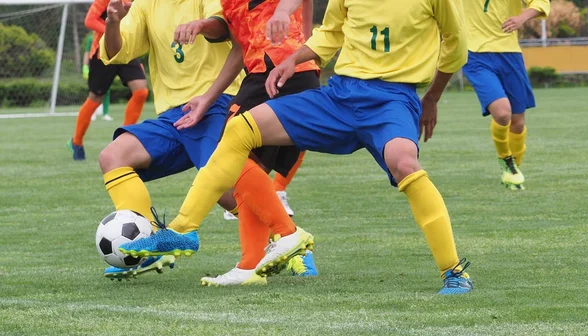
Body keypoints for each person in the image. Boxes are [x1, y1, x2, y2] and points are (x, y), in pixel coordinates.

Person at [121, 0, 473, 294]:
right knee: (240, 130)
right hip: (340, 95)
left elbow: (455, 46)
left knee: (404, 163)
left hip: (392, 100)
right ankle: (183, 231)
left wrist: (432, 98)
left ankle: (454, 272)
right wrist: (293, 59)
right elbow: (331, 32)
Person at [171, 0, 320, 286]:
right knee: (244, 172)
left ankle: (286, 234)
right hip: (265, 76)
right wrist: (207, 98)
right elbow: (241, 48)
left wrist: (284, 15)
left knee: (230, 159)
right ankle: (251, 265)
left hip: (284, 73)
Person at [97, 0, 244, 279]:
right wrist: (112, 22)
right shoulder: (145, 4)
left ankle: (286, 238)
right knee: (113, 157)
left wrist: (200, 25)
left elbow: (224, 28)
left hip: (214, 102)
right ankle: (149, 246)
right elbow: (117, 51)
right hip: (173, 117)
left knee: (223, 188)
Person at [462, 0, 550, 190]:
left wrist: (521, 18)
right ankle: (506, 160)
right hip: (475, 53)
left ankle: (512, 172)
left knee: (518, 123)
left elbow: (541, 2)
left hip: (510, 53)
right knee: (502, 114)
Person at [68, 0, 148, 161]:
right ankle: (76, 142)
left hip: (127, 48)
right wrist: (112, 31)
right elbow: (89, 20)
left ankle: (123, 141)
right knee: (96, 97)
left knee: (141, 91)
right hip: (103, 51)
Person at [82, 31, 113, 122]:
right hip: (94, 66)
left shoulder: (108, 36)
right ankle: (92, 113)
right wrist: (85, 66)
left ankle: (105, 113)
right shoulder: (91, 38)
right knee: (93, 90)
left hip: (106, 65)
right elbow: (87, 52)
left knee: (107, 90)